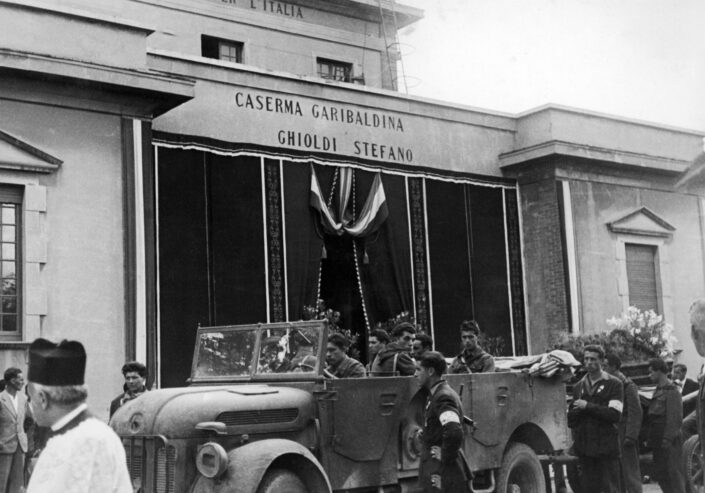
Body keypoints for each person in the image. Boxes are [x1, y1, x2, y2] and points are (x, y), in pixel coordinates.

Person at [25, 338, 131, 493]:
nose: (30, 403)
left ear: (42, 399)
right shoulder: (76, 433)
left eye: (30, 397)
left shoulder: (89, 440)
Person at [567, 344, 623, 493]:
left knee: (611, 489)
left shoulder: (614, 384)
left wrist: (588, 407)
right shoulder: (578, 387)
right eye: (586, 359)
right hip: (586, 449)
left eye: (593, 359)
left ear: (602, 361)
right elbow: (571, 421)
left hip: (606, 448)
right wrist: (574, 412)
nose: (589, 362)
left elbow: (614, 415)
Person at [416, 351, 470, 492]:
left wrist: (444, 457)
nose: (415, 374)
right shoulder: (435, 394)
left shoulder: (443, 397)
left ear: (430, 371)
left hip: (443, 473)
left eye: (418, 369)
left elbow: (453, 432)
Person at [604, 353, 642, 493]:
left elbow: (635, 412)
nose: (603, 369)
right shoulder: (611, 385)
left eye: (605, 366)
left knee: (630, 474)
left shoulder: (628, 385)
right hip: (614, 435)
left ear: (614, 367)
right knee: (616, 474)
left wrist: (631, 436)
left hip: (625, 434)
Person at [647, 358, 684, 493]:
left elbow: (675, 418)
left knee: (674, 476)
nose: (649, 375)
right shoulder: (659, 389)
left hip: (669, 441)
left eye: (651, 372)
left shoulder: (672, 390)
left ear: (660, 372)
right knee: (662, 475)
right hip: (658, 439)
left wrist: (667, 440)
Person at [0, 367, 29, 493]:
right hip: (3, 447)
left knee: (17, 485)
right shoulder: (1, 399)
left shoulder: (23, 399)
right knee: (1, 482)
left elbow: (28, 421)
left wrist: (25, 437)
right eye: (21, 379)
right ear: (12, 381)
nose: (23, 382)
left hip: (20, 446)